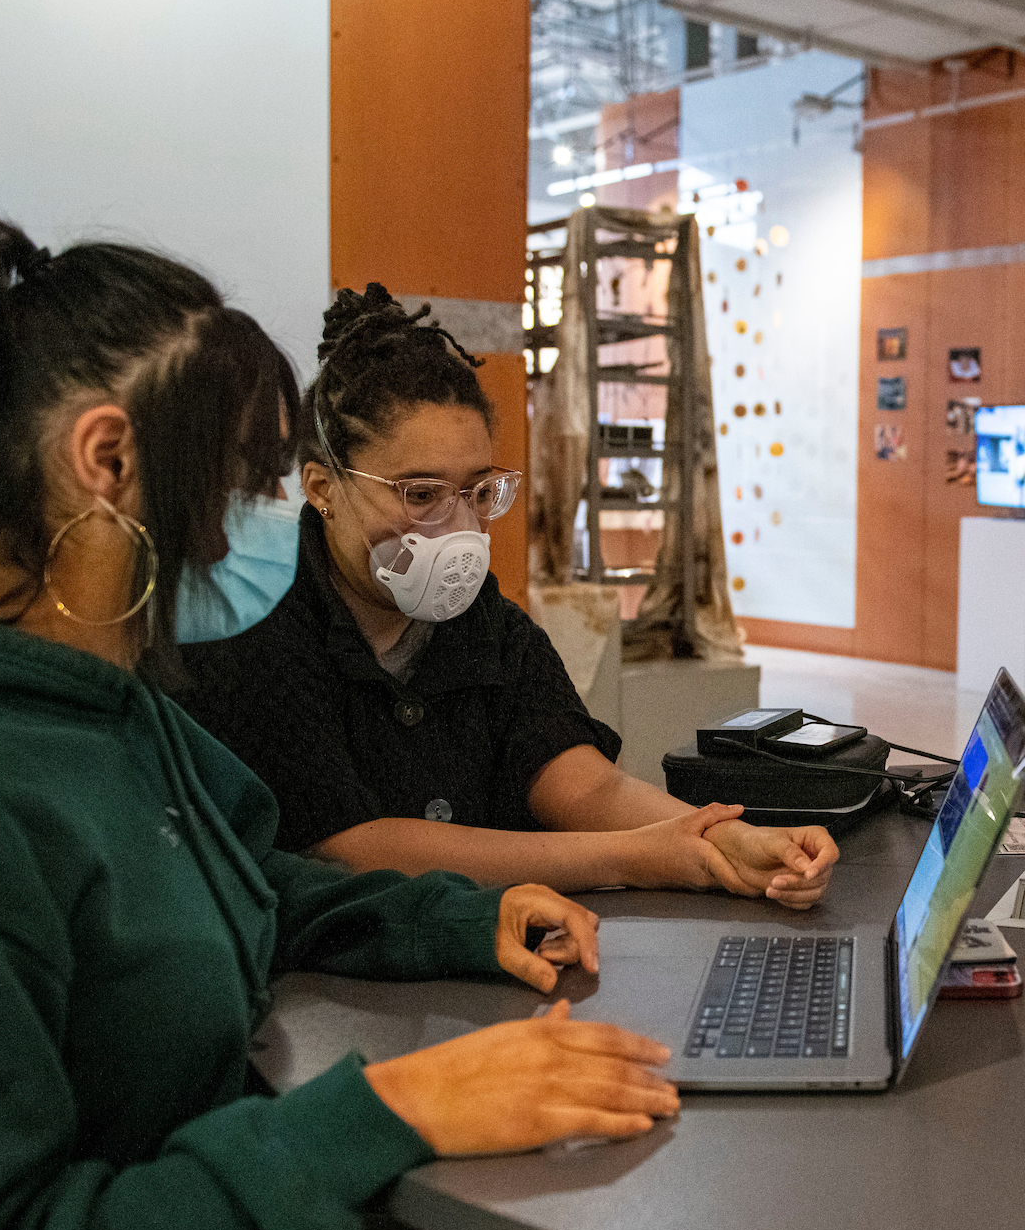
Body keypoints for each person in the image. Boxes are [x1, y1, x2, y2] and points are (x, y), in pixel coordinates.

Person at [0, 219, 728, 1230]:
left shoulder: (103, 706)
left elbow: (248, 879)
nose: (262, 524)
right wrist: (386, 1112)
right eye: (237, 483)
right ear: (108, 462)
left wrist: (457, 917)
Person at [178, 284, 836, 907]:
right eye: (420, 494)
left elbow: (583, 784)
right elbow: (353, 848)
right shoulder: (256, 620)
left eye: (477, 492)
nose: (457, 526)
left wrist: (726, 840)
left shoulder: (485, 623)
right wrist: (633, 857)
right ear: (322, 488)